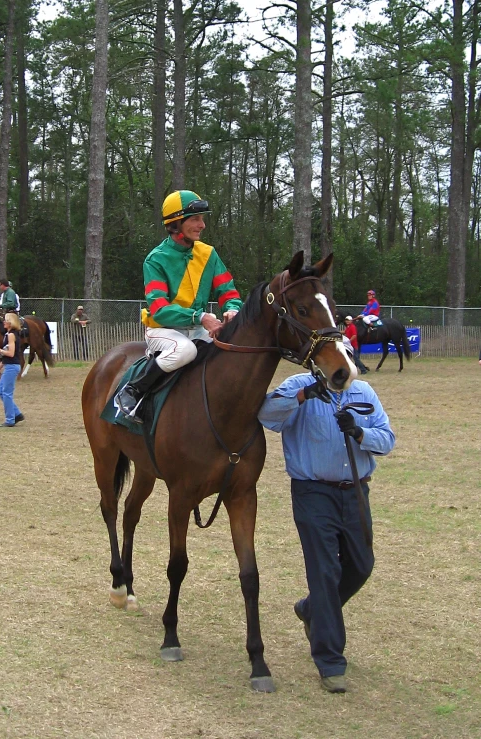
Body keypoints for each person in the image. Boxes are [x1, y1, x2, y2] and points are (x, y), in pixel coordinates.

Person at [258, 356, 395, 694]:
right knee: (324, 572)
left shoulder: (363, 392)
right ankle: (331, 661)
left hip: (355, 491)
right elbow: (266, 416)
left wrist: (361, 432)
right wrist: (304, 395)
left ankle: (310, 609)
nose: (341, 369)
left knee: (362, 565)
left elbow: (387, 439)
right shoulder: (296, 385)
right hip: (313, 491)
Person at [117, 190, 243, 422]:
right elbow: (160, 310)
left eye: (202, 219)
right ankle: (132, 390)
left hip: (198, 329)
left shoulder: (208, 254)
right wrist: (201, 317)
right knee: (186, 350)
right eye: (195, 219)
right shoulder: (156, 259)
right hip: (163, 330)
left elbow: (228, 291)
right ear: (176, 223)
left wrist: (232, 309)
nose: (202, 225)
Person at [0, 312, 25, 427]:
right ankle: (17, 413)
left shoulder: (11, 335)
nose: (3, 322)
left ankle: (10, 420)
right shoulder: (8, 334)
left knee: (6, 393)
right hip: (9, 365)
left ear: (11, 322)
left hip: (12, 366)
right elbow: (5, 358)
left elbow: (10, 353)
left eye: (6, 320)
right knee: (1, 392)